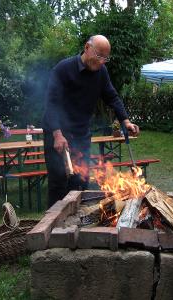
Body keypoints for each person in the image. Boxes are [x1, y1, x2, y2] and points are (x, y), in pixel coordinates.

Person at [42, 35, 139, 208]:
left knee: (81, 182)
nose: (102, 61)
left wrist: (125, 121)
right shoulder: (63, 69)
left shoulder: (101, 72)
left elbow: (112, 96)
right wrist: (57, 134)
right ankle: (52, 229)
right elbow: (51, 103)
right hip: (58, 134)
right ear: (87, 48)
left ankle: (76, 225)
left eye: (105, 58)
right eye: (99, 55)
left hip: (81, 135)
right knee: (58, 183)